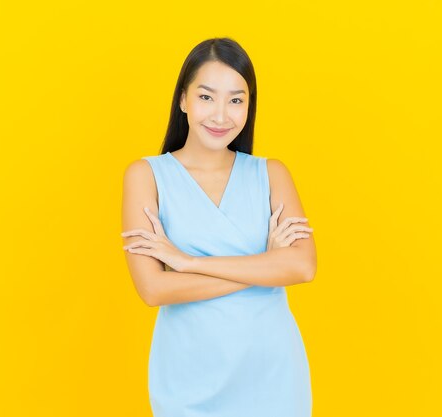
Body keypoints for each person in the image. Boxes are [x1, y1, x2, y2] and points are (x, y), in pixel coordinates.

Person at [121, 37, 316, 417]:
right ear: (183, 99)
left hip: (273, 376)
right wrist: (265, 266)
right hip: (188, 378)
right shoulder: (146, 176)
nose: (221, 115)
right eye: (207, 97)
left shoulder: (272, 174)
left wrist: (187, 263)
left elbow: (303, 267)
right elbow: (154, 288)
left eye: (236, 100)